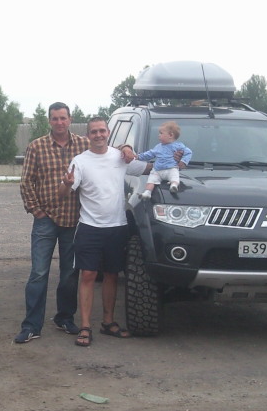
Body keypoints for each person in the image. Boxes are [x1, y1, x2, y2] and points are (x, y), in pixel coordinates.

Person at [58, 117, 149, 347]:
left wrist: (175, 162)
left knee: (111, 275)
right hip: (89, 227)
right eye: (93, 132)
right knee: (88, 275)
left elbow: (147, 168)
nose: (98, 135)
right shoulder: (80, 161)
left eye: (101, 131)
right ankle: (85, 326)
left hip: (117, 226)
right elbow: (63, 193)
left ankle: (108, 322)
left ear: (108, 132)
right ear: (88, 136)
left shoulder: (120, 157)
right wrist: (67, 184)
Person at [16, 102, 90, 344]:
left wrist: (127, 149)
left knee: (70, 274)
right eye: (55, 118)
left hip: (73, 218)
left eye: (63, 118)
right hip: (45, 220)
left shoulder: (84, 145)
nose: (59, 122)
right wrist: (36, 211)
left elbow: (106, 149)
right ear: (49, 121)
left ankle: (64, 318)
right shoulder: (36, 146)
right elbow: (26, 182)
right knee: (39, 273)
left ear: (70, 119)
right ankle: (31, 325)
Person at [137, 121, 192, 199]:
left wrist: (183, 161)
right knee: (151, 180)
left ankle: (174, 185)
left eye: (161, 133)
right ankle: (147, 192)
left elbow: (188, 152)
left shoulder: (178, 146)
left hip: (171, 168)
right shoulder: (158, 147)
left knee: (175, 176)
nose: (159, 135)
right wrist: (138, 157)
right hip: (157, 170)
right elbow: (149, 154)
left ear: (170, 135)